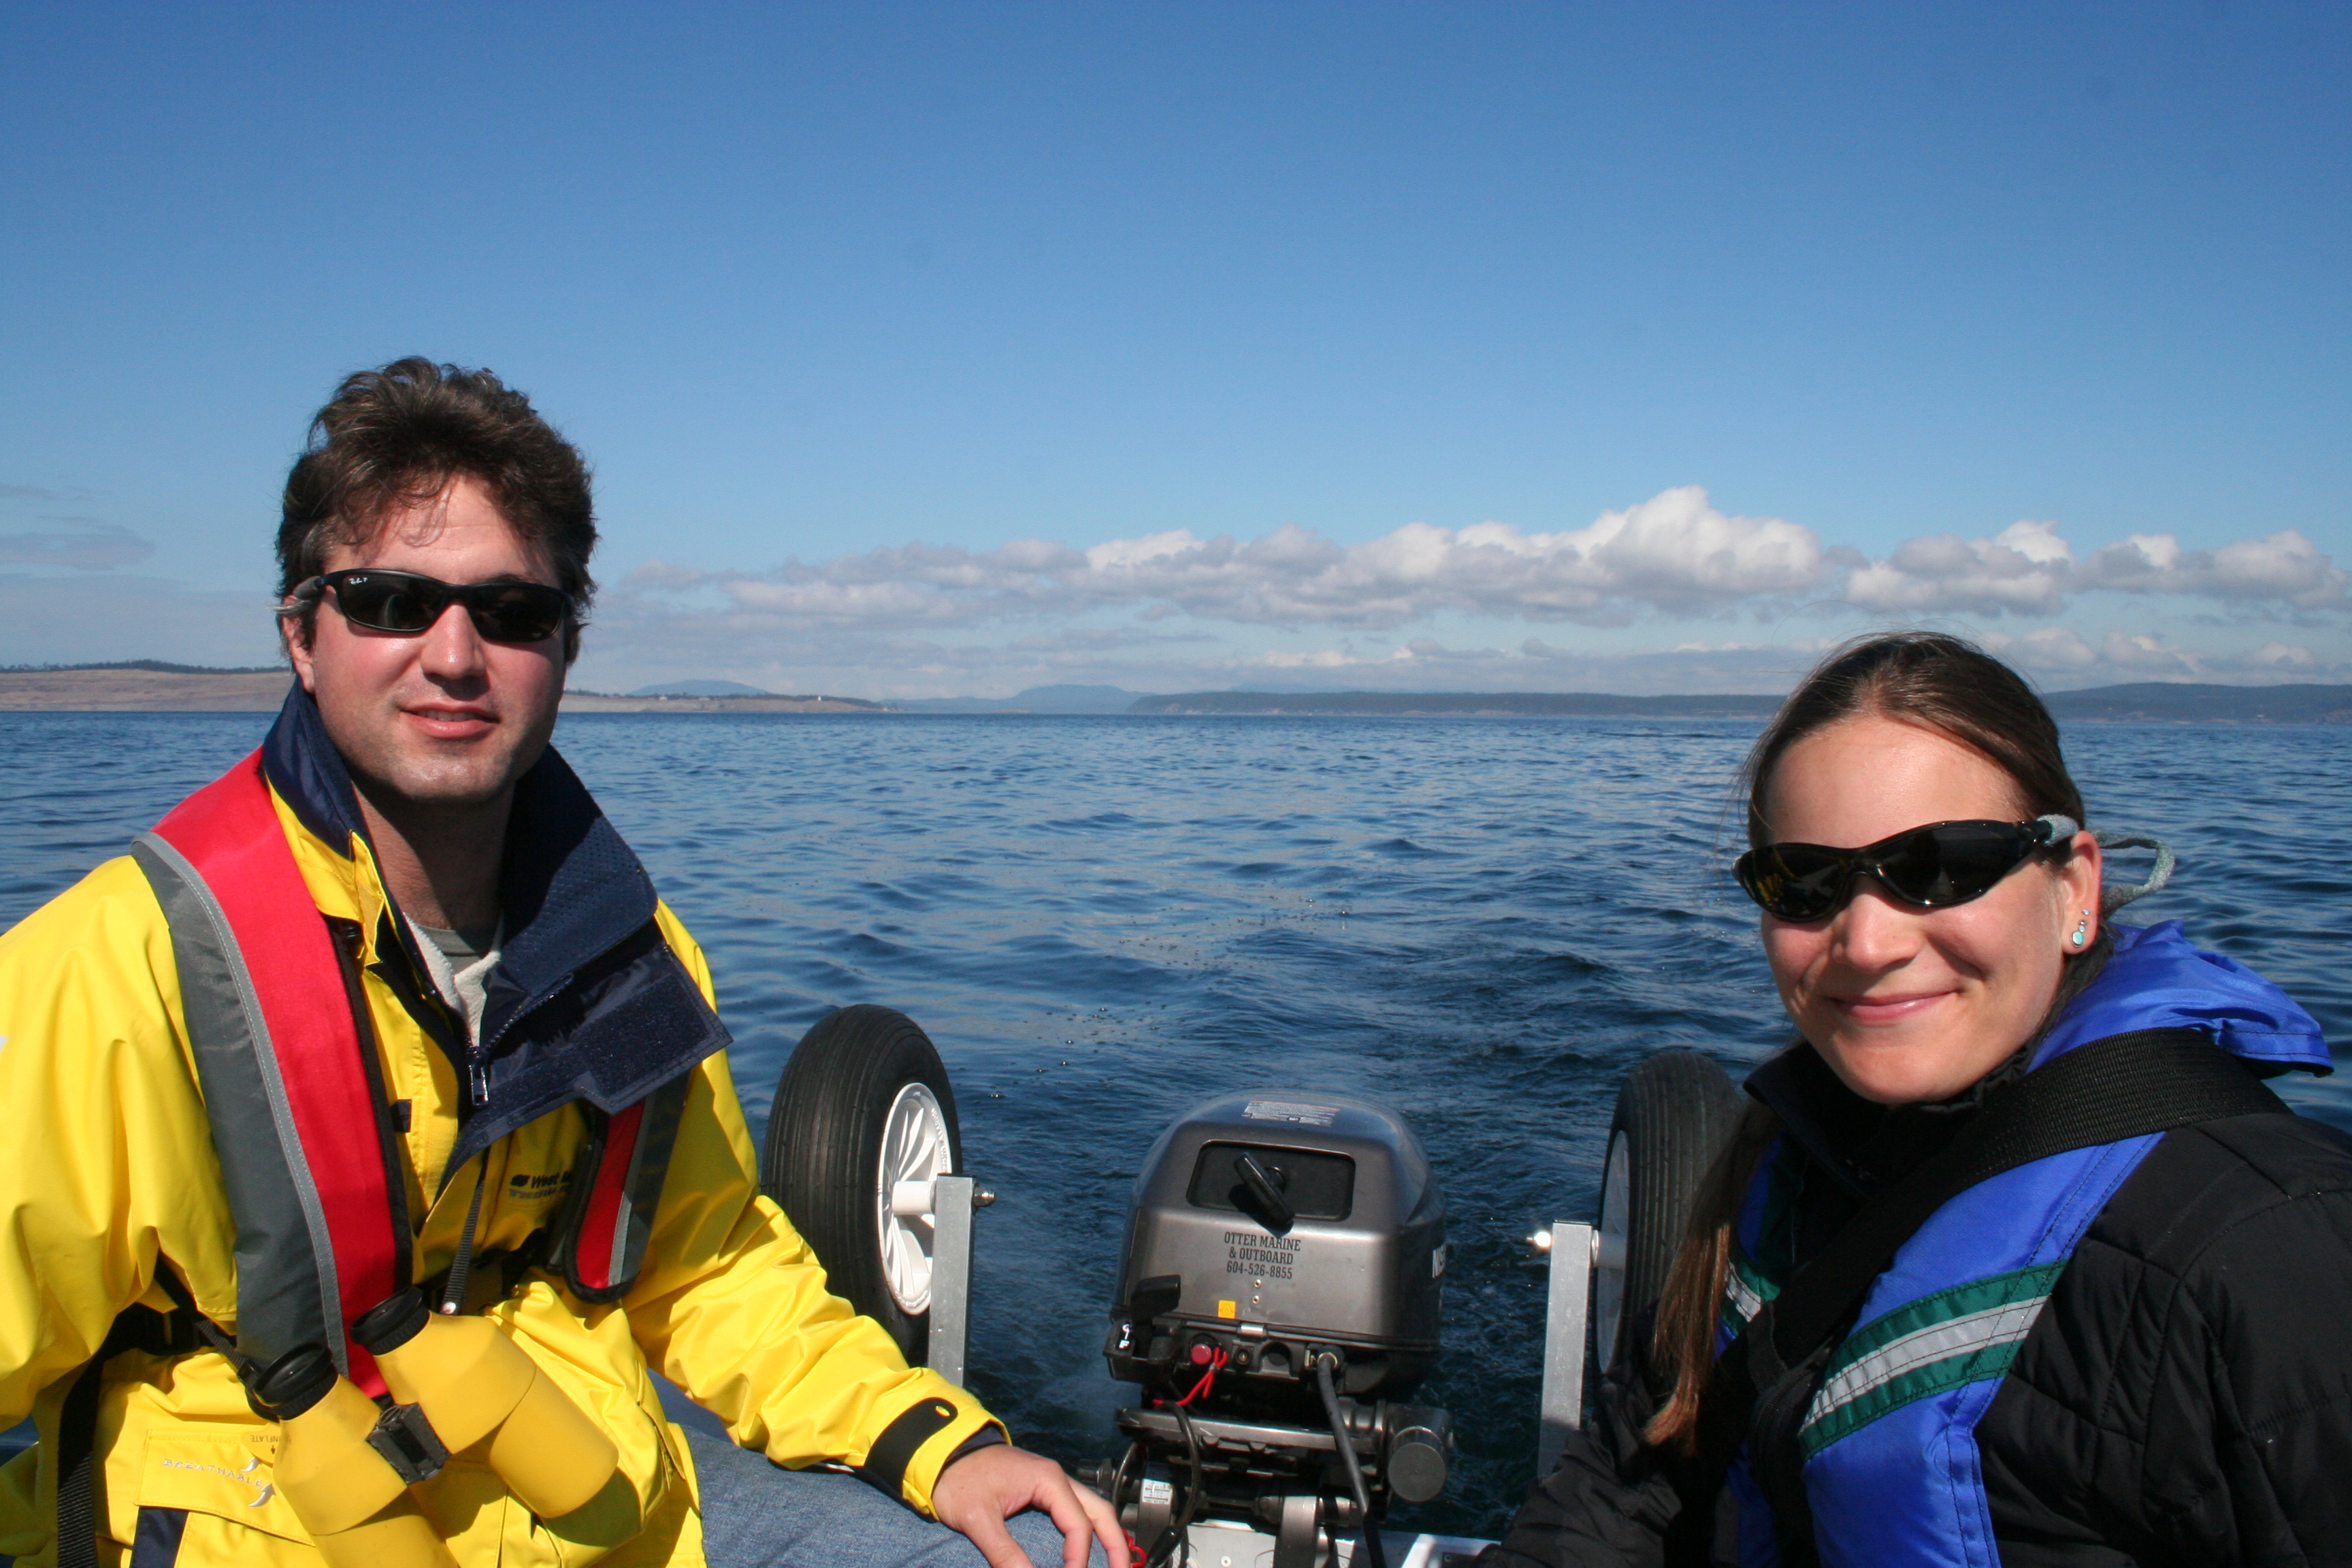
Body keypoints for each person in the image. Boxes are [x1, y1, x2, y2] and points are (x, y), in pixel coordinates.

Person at [0, 359, 1126, 1568]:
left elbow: (705, 1264)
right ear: (302, 636)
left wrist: (935, 1446)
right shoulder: (118, 971)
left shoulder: (628, 957)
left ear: (566, 646)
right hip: (251, 1524)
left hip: (599, 1508)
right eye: (390, 602)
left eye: (511, 612)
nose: (454, 655)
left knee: (1017, 1549)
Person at [1483, 632, 2352, 1567]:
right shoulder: (1787, 1163)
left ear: (2075, 888)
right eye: (1804, 882)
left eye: (1941, 868)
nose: (1866, 943)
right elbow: (1641, 1478)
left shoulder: (2268, 1252)